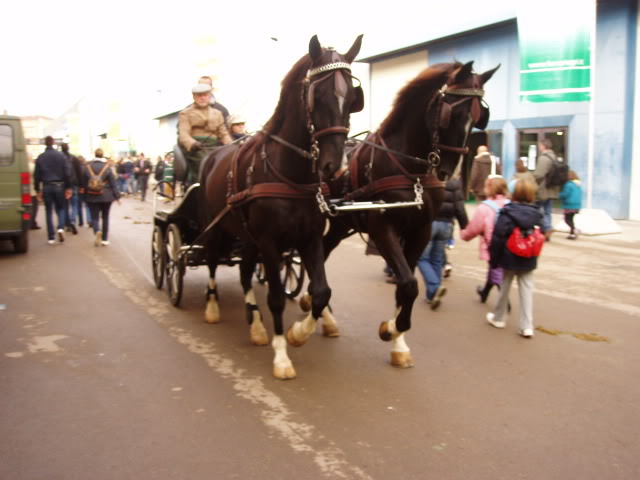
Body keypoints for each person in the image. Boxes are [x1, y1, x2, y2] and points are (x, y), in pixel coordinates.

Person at [486, 179, 543, 338]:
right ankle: (527, 326)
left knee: (504, 287)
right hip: (529, 258)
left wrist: (494, 260)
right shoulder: (537, 214)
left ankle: (499, 318)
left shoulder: (506, 213)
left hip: (509, 257)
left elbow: (497, 238)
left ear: (514, 193)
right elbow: (541, 235)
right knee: (527, 290)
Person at [417, 178, 468, 310]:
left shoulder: (427, 177)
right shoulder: (455, 183)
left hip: (430, 223)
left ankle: (434, 287)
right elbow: (459, 207)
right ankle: (432, 296)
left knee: (421, 258)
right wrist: (464, 225)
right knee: (437, 259)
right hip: (447, 225)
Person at [460, 176, 510, 303]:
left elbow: (474, 228)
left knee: (496, 271)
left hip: (493, 246)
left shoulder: (485, 207)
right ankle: (484, 292)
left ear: (489, 188)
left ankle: (505, 303)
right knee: (494, 269)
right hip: (509, 245)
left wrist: (464, 234)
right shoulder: (510, 204)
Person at [178, 83, 232, 186]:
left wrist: (232, 144)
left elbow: (223, 133)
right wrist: (193, 144)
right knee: (205, 162)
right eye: (199, 95)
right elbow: (183, 133)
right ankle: (199, 188)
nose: (202, 98)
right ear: (194, 97)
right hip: (197, 148)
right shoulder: (186, 113)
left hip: (215, 146)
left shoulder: (217, 113)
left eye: (205, 95)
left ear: (209, 96)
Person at [33, 136, 72, 245]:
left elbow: (36, 176)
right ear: (53, 143)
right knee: (61, 208)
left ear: (45, 143)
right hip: (60, 185)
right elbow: (67, 173)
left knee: (48, 211)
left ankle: (51, 237)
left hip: (47, 186)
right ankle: (60, 227)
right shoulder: (61, 156)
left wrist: (37, 190)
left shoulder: (41, 157)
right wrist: (68, 187)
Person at [81, 148, 120, 246]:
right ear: (102, 155)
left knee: (94, 216)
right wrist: (117, 197)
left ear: (95, 155)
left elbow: (83, 183)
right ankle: (105, 239)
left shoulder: (87, 167)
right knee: (105, 217)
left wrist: (84, 195)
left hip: (92, 195)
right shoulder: (107, 167)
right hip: (106, 195)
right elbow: (113, 183)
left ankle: (97, 230)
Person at [533, 139, 560, 241]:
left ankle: (547, 228)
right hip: (552, 189)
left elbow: (539, 175)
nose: (539, 147)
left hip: (543, 189)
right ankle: (546, 230)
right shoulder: (554, 157)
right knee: (548, 211)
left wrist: (532, 181)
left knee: (539, 210)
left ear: (543, 146)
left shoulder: (544, 158)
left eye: (540, 145)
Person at [60, 143, 81, 234]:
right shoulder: (75, 158)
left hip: (63, 185)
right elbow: (79, 172)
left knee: (65, 205)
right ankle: (73, 221)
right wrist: (81, 185)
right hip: (74, 184)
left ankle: (67, 223)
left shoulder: (59, 158)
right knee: (74, 204)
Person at [559, 170, 582, 240]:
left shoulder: (568, 184)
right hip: (577, 206)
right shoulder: (578, 185)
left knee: (567, 219)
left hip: (569, 205)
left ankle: (575, 230)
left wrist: (559, 195)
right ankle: (572, 234)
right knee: (571, 219)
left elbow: (565, 194)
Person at [28, 154, 40, 229]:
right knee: (34, 207)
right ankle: (32, 223)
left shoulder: (22, 166)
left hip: (23, 191)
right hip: (32, 190)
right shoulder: (32, 166)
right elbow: (37, 178)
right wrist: (38, 190)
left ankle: (29, 222)